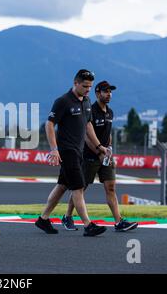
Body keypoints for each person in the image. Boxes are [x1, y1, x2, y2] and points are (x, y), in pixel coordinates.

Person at [35, 69, 108, 237]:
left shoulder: (87, 101)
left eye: (90, 86)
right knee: (78, 187)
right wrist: (54, 149)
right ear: (75, 83)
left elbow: (88, 125)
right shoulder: (63, 101)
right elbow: (49, 124)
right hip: (67, 151)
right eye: (85, 86)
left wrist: (99, 146)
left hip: (79, 150)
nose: (88, 89)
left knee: (62, 186)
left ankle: (43, 218)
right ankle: (88, 225)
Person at [61, 81, 138, 232]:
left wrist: (108, 149)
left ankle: (118, 222)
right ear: (97, 93)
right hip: (89, 156)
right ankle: (67, 216)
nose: (109, 94)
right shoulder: (90, 110)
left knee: (111, 187)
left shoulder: (110, 112)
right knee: (80, 188)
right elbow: (86, 136)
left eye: (110, 91)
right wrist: (99, 152)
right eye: (105, 91)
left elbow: (107, 133)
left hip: (105, 156)